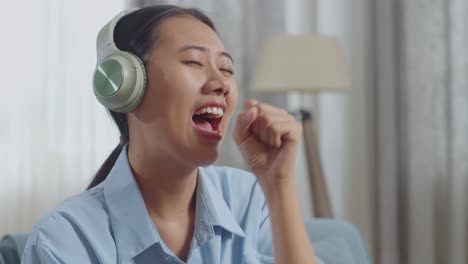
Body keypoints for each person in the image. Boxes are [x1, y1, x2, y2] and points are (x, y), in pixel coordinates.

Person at [22, 5, 323, 264]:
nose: (221, 83)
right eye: (193, 62)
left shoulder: (248, 200)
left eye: (227, 68)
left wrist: (278, 183)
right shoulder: (64, 240)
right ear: (127, 87)